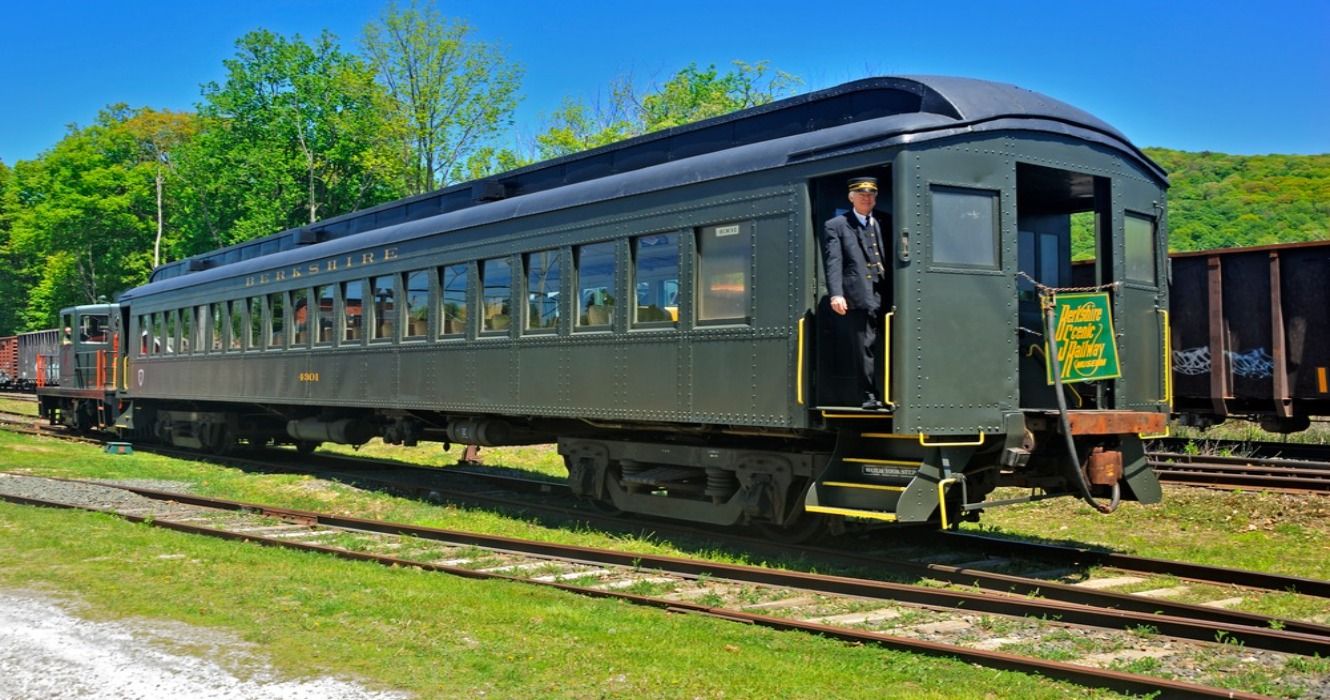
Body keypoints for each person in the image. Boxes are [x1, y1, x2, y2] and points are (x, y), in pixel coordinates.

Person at [821, 176, 891, 410]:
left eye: (871, 194)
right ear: (852, 197)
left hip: (885, 292)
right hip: (857, 294)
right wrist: (836, 294)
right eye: (862, 194)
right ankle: (868, 395)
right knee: (864, 345)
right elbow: (834, 261)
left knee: (888, 341)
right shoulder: (837, 225)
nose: (867, 198)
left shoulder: (884, 220)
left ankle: (890, 390)